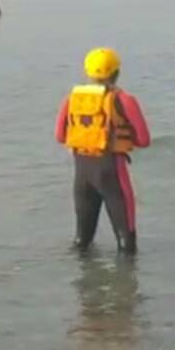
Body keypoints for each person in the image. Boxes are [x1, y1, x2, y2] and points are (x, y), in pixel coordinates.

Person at [55, 47, 151, 252]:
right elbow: (144, 140)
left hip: (82, 172)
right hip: (112, 170)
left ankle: (81, 283)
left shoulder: (72, 99)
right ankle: (126, 282)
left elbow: (60, 136)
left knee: (82, 241)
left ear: (88, 72)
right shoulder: (124, 100)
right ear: (117, 72)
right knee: (126, 242)